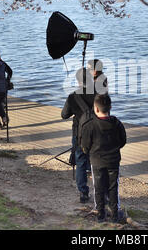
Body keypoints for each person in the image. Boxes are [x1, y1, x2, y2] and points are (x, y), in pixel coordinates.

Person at [81, 94, 126, 223]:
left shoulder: (89, 126)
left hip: (97, 161)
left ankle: (101, 215)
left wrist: (90, 152)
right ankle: (114, 215)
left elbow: (85, 146)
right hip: (113, 160)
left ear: (95, 108)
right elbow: (123, 141)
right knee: (113, 186)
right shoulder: (117, 123)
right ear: (110, 107)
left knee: (98, 187)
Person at [61, 68, 95, 203]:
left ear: (78, 81)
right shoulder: (99, 94)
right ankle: (101, 192)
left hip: (79, 133)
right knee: (96, 162)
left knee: (80, 161)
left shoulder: (73, 96)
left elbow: (64, 115)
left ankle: (83, 193)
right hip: (96, 133)